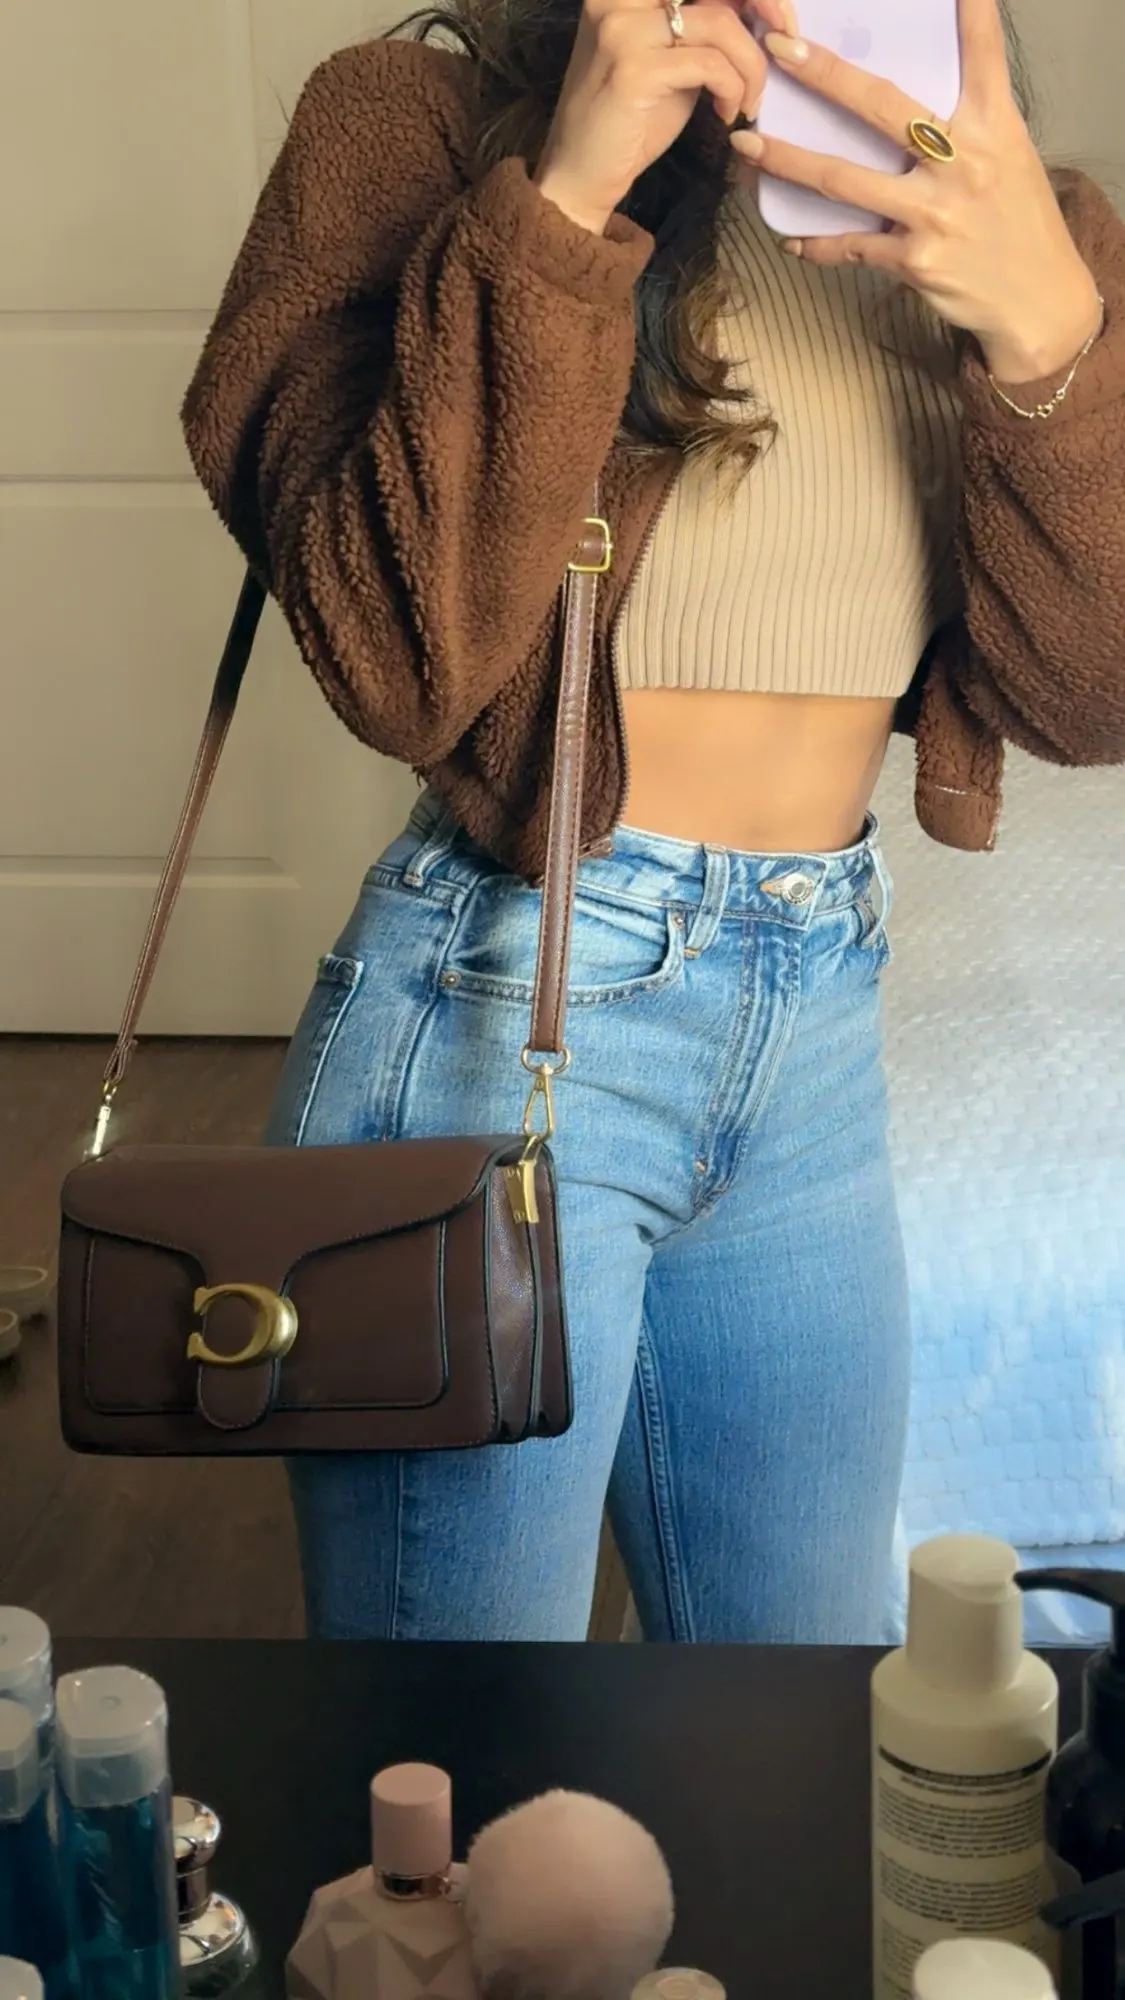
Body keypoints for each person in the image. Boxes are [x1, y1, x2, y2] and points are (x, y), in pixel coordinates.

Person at [181, 0, 1125, 1642]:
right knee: (460, 1756)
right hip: (497, 1012)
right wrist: (567, 198)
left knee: (804, 1722)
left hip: (816, 1032)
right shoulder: (410, 127)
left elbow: (1087, 700)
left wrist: (1049, 342)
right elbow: (394, 656)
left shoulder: (1027, 218)